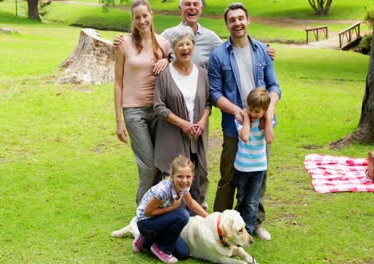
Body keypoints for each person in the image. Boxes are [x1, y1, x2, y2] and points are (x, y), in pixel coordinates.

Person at [114, 0, 275, 210]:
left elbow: (237, 41)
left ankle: (199, 204)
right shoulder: (165, 36)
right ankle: (149, 211)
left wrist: (265, 48)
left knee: (200, 161)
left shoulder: (205, 39)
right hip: (157, 107)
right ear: (180, 9)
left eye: (195, 4)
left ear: (201, 8)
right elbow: (151, 57)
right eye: (186, 4)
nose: (191, 7)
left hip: (197, 107)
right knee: (155, 165)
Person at [208, 2, 281, 240]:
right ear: (227, 24)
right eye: (232, 20)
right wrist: (237, 111)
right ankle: (218, 223)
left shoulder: (262, 51)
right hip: (234, 126)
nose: (237, 23)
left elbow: (274, 86)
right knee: (228, 176)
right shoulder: (219, 55)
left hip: (261, 126)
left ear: (248, 20)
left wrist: (269, 112)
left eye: (241, 18)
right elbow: (215, 93)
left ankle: (255, 223)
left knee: (260, 174)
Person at [114, 0, 171, 205]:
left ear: (151, 15)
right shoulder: (123, 44)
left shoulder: (162, 43)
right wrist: (119, 121)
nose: (142, 20)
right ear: (133, 19)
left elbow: (178, 64)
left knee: (158, 163)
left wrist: (167, 60)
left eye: (145, 16)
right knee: (148, 165)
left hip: (157, 110)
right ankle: (141, 212)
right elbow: (118, 82)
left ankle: (153, 211)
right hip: (134, 112)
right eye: (137, 17)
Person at [154, 26, 211, 210]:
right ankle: (175, 219)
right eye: (180, 45)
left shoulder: (201, 73)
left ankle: (197, 221)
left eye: (188, 44)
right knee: (175, 181)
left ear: (193, 47)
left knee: (198, 178)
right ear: (174, 49)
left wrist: (202, 121)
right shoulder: (165, 74)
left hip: (197, 136)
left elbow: (209, 102)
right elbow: (158, 106)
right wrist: (182, 123)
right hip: (173, 136)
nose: (185, 48)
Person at [133, 155, 208, 263]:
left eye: (188, 176)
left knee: (183, 254)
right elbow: (148, 212)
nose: (184, 180)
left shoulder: (184, 186)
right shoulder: (163, 190)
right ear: (172, 176)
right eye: (180, 176)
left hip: (159, 221)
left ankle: (145, 241)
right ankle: (161, 249)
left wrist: (209, 217)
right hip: (145, 223)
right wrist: (172, 208)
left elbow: (191, 203)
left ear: (193, 176)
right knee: (183, 215)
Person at [234, 88, 274, 236]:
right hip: (242, 167)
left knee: (252, 201)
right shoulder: (241, 118)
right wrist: (246, 119)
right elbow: (244, 136)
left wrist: (268, 120)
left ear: (264, 111)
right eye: (251, 109)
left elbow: (269, 139)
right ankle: (237, 227)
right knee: (241, 198)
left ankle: (248, 230)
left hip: (258, 168)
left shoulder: (266, 121)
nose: (253, 114)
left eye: (257, 112)